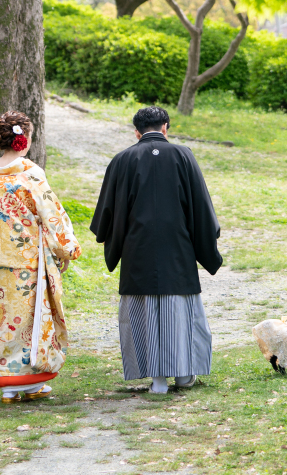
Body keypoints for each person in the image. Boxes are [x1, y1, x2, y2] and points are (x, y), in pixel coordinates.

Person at [90, 104, 222, 394]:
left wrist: (110, 237)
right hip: (179, 247)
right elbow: (201, 206)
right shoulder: (183, 155)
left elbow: (107, 214)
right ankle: (184, 373)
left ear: (136, 132)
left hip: (138, 248)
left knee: (144, 311)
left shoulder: (122, 159)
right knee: (179, 310)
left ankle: (157, 380)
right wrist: (207, 242)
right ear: (166, 127)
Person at [0, 109, 82, 403]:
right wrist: (67, 248)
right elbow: (51, 215)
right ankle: (30, 381)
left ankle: (7, 383)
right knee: (27, 321)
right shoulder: (31, 173)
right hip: (27, 261)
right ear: (24, 140)